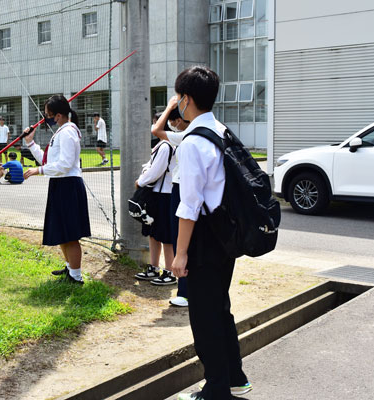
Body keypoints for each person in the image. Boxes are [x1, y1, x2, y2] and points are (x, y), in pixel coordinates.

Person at [166, 67, 251, 400]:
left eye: (178, 99)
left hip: (203, 237)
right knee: (220, 309)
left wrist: (181, 253)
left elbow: (189, 205)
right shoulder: (221, 130)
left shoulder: (192, 143)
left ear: (186, 100)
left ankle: (216, 387)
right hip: (225, 235)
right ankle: (235, 378)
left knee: (203, 317)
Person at [23, 95, 91, 284]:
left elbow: (66, 164)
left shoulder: (68, 132)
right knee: (62, 231)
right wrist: (30, 143)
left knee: (70, 234)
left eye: (47, 116)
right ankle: (70, 269)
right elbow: (48, 161)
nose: (45, 119)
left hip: (68, 185)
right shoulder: (61, 132)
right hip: (59, 184)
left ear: (58, 115)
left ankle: (76, 276)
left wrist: (39, 170)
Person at [151, 107, 190, 306]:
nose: (173, 125)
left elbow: (156, 130)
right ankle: (185, 290)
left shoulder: (185, 135)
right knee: (181, 241)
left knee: (179, 241)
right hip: (180, 187)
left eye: (174, 121)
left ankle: (184, 292)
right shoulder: (192, 133)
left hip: (181, 187)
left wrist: (169, 108)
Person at [133, 128, 176, 288]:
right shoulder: (163, 145)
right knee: (153, 233)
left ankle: (169, 271)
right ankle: (154, 267)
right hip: (157, 194)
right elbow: (150, 166)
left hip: (164, 195)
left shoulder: (166, 146)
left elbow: (155, 171)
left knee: (165, 235)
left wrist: (141, 181)